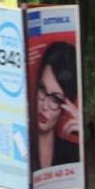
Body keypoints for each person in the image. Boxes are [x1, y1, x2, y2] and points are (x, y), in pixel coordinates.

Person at [30, 41, 80, 171]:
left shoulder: (72, 152)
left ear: (66, 106)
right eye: (42, 89)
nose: (44, 106)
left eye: (56, 99)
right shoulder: (19, 147)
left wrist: (82, 137)